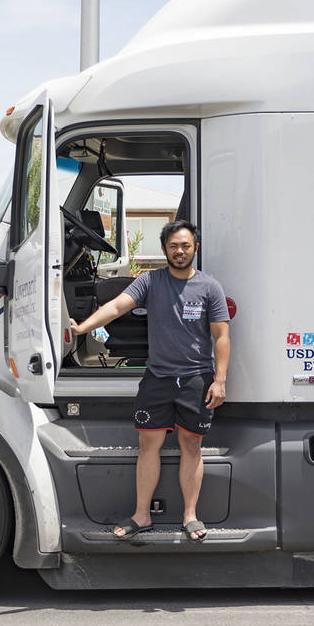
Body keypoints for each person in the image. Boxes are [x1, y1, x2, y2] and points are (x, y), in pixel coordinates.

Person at [69, 219, 230, 542]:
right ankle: (141, 516)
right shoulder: (151, 282)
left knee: (191, 445)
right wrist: (82, 328)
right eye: (173, 246)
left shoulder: (210, 287)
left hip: (197, 380)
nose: (180, 251)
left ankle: (190, 516)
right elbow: (116, 306)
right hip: (157, 379)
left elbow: (222, 336)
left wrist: (220, 380)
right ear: (164, 250)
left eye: (185, 246)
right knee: (148, 446)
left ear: (195, 248)